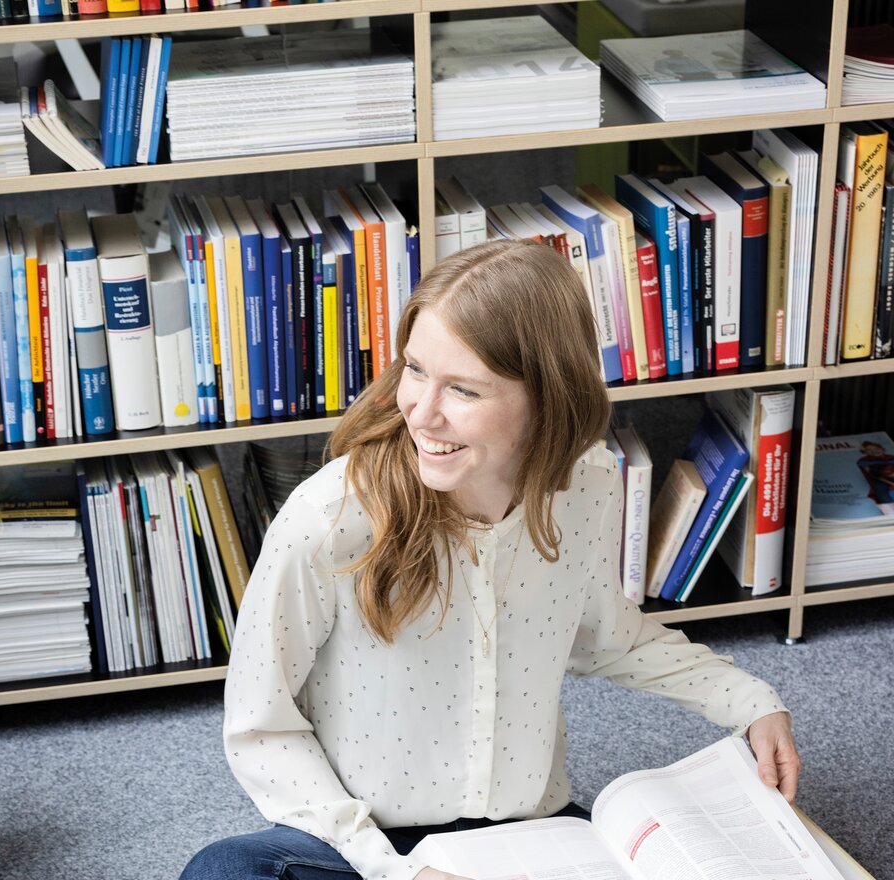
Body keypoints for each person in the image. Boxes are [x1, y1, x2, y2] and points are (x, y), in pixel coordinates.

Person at [181, 239, 801, 880]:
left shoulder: (586, 486)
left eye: (463, 391)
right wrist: (400, 873)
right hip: (361, 845)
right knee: (224, 871)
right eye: (414, 370)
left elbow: (607, 636)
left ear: (547, 396)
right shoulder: (327, 520)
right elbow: (261, 726)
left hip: (527, 837)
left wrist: (750, 701)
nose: (421, 413)